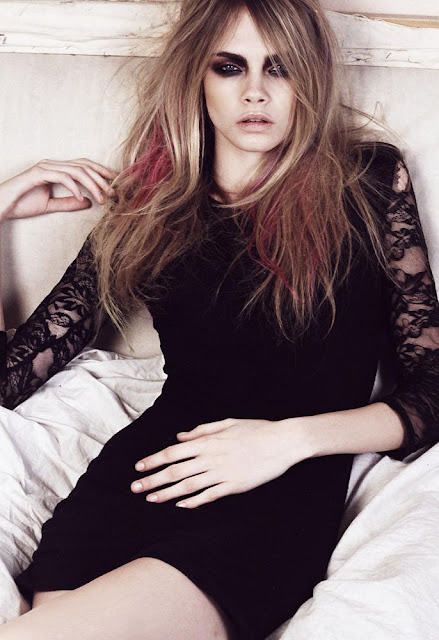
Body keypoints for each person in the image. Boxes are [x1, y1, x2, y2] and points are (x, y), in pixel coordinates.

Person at [1, 0, 439, 638]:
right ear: (197, 78)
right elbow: (15, 375)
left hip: (272, 493)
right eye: (230, 67)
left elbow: (431, 388)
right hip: (145, 477)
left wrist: (287, 441)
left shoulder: (366, 181)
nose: (256, 91)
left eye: (280, 68)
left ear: (310, 80)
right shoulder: (151, 206)